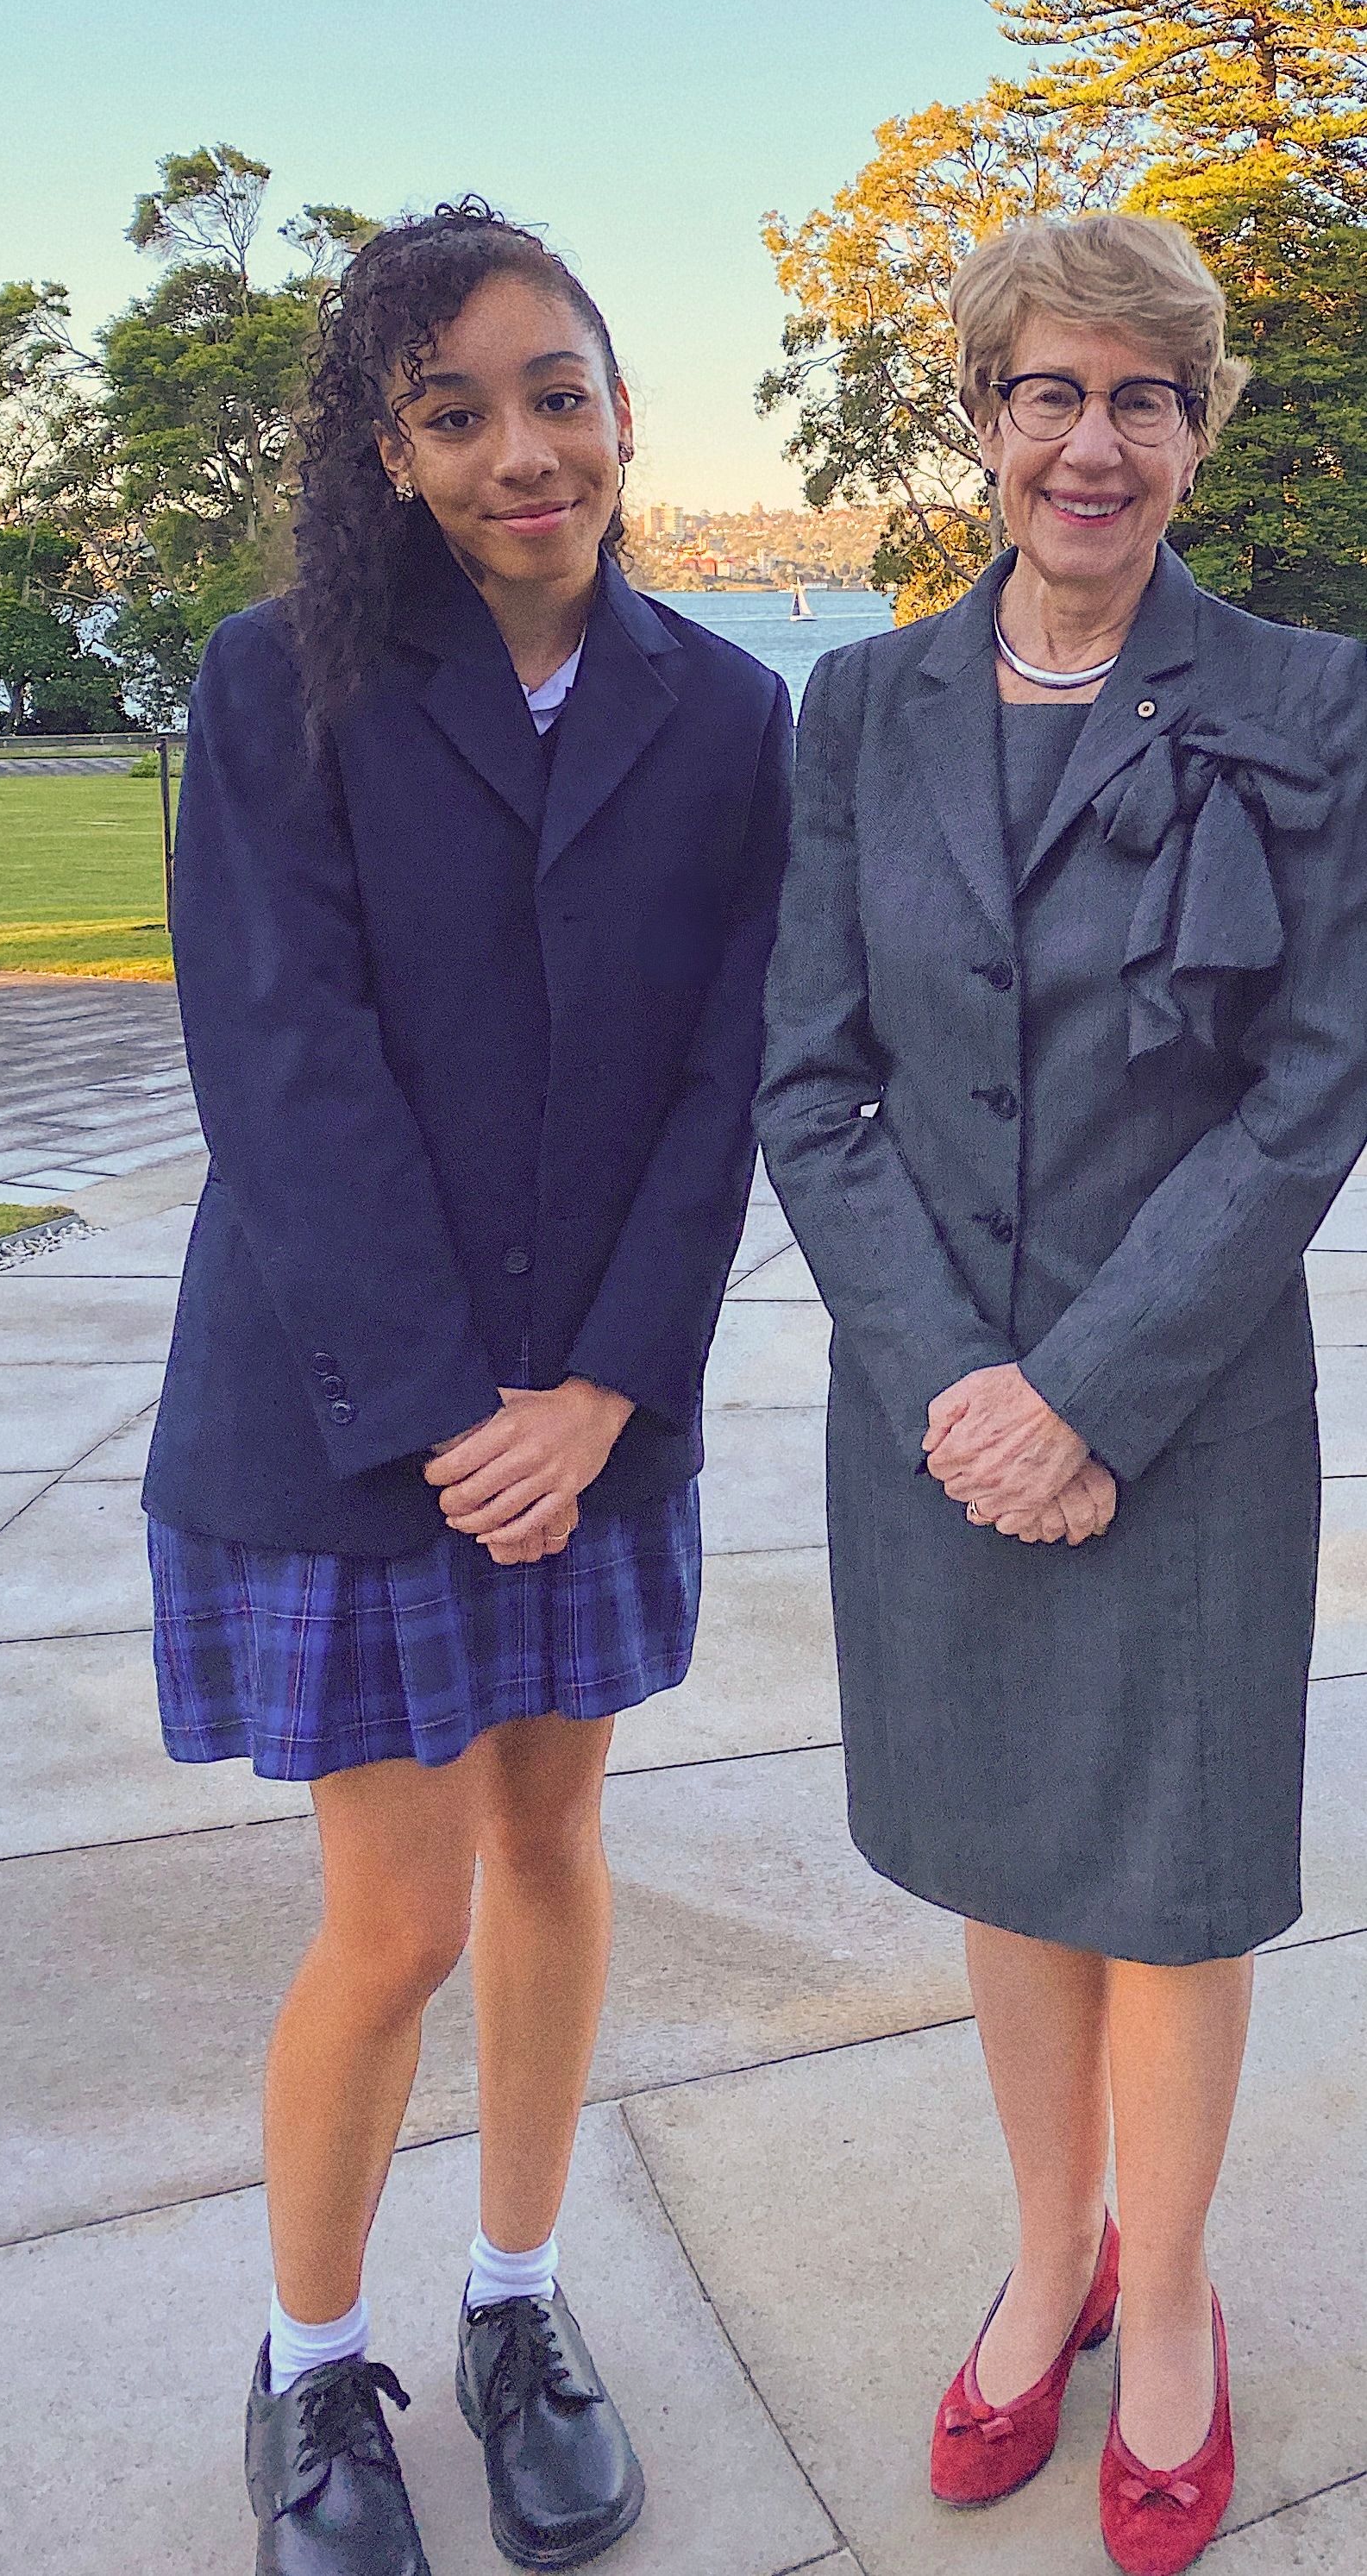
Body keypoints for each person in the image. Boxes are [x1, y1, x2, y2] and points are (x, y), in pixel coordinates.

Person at [142, 198, 793, 2576]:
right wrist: (453, 1413)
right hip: (348, 1416)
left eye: (559, 392)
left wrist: (606, 1389)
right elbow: (283, 1061)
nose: (526, 449)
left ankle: (517, 2300)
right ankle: (315, 2362)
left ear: (625, 404)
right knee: (396, 1914)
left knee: (552, 1848)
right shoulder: (271, 679)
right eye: (457, 412)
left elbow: (728, 1078)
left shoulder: (732, 709)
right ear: (389, 453)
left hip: (596, 1420)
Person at [756, 210, 1367, 2575]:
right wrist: (954, 1383)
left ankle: (1180, 2294)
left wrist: (1087, 1387)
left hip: (1190, 1406)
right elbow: (811, 1084)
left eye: (1140, 396)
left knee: (1176, 1875)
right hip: (933, 1411)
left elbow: (1312, 1092)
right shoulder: (862, 707)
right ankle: (1051, 2255)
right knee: (1012, 1853)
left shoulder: (1313, 704)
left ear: (1196, 430)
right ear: (985, 420)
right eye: (1047, 392)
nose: (1089, 440)